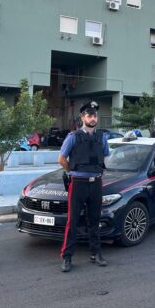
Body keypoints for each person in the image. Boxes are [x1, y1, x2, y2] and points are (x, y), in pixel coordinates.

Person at [58, 101, 110, 272]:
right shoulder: (73, 137)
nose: (93, 118)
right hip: (78, 184)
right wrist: (72, 171)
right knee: (72, 221)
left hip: (95, 184)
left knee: (94, 221)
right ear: (83, 118)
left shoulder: (102, 137)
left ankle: (96, 254)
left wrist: (98, 172)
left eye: (95, 115)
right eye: (89, 115)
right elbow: (61, 159)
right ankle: (67, 257)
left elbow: (105, 158)